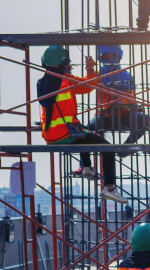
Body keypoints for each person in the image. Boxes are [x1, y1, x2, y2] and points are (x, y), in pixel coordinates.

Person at [36, 45, 128, 204]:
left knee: (85, 131)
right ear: (62, 65)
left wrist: (65, 72)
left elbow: (58, 84)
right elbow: (88, 85)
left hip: (51, 136)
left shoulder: (42, 83)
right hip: (67, 134)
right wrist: (90, 68)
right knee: (108, 148)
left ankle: (86, 166)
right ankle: (110, 188)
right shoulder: (66, 81)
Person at [87, 45, 150, 146]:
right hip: (104, 116)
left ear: (116, 57)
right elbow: (86, 86)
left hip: (123, 115)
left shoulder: (125, 76)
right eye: (104, 56)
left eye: (108, 56)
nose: (106, 59)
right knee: (87, 130)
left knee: (145, 119)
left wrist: (122, 103)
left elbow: (130, 98)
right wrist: (90, 70)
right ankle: (98, 153)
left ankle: (126, 147)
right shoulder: (99, 74)